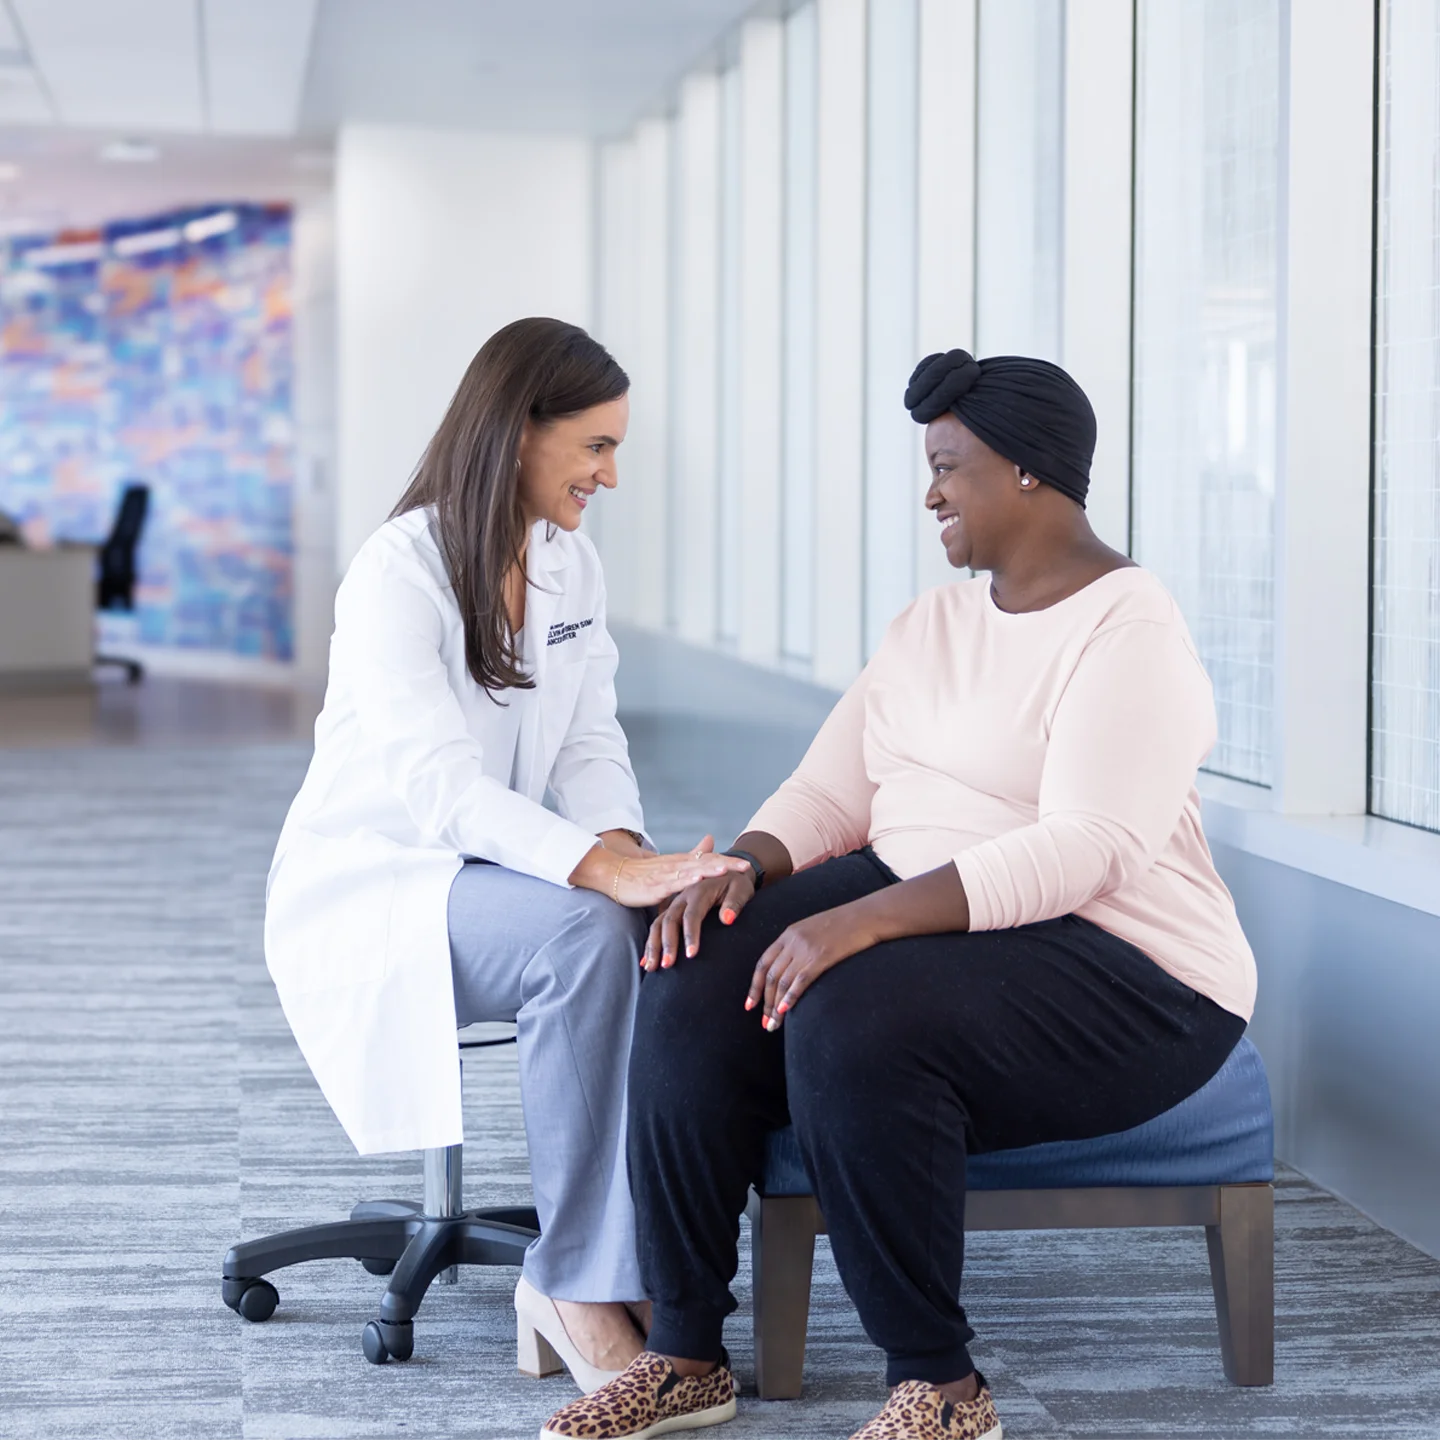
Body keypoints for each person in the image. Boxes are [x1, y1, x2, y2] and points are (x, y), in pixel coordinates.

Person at [538, 349, 1257, 1440]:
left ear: (1026, 473)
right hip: (935, 904)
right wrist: (750, 867)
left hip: (1128, 964)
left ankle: (942, 1389)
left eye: (949, 468)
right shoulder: (931, 626)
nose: (931, 494)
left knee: (854, 1011)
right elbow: (833, 786)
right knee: (691, 956)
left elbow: (1091, 847)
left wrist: (859, 921)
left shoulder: (1130, 630)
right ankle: (683, 1351)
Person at [264, 318, 749, 1393]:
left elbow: (589, 743)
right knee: (588, 925)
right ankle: (574, 1281)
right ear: (517, 430)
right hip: (377, 888)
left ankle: (630, 1261)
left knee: (644, 921)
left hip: (492, 877)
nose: (612, 475)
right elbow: (438, 790)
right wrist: (603, 875)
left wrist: (634, 858)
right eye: (596, 447)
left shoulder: (569, 565)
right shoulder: (397, 570)